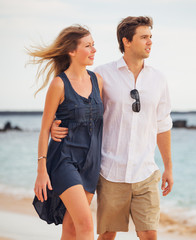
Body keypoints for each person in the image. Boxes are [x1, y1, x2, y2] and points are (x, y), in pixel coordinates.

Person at [51, 16, 173, 240]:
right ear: (126, 41)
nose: (150, 42)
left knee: (149, 235)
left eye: (151, 37)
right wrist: (53, 124)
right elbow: (78, 104)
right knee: (107, 235)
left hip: (146, 171)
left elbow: (163, 124)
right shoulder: (102, 75)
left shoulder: (159, 79)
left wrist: (168, 167)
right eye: (144, 37)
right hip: (110, 170)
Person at [27, 25, 104, 240]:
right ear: (72, 50)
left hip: (91, 163)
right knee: (86, 224)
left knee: (71, 227)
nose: (94, 50)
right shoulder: (59, 84)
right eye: (88, 46)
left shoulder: (98, 81)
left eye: (94, 45)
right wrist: (41, 171)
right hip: (64, 160)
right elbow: (44, 129)